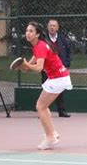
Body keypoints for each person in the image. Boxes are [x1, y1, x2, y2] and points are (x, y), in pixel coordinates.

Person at [22, 21, 73, 150]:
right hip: (57, 77)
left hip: (58, 78)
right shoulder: (39, 45)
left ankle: (50, 137)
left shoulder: (40, 46)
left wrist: (28, 66)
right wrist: (27, 65)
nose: (28, 33)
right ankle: (52, 133)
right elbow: (34, 61)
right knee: (43, 106)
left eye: (31, 31)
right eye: (27, 31)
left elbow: (38, 68)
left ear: (37, 34)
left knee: (40, 106)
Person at [42, 19, 71, 118]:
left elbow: (68, 52)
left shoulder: (62, 39)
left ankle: (62, 111)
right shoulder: (44, 39)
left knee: (60, 90)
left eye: (54, 26)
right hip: (47, 70)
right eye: (50, 25)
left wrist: (66, 65)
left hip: (59, 70)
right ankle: (44, 111)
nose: (52, 27)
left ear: (57, 27)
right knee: (46, 90)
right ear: (47, 27)